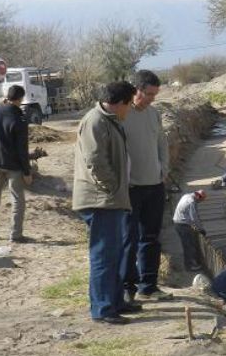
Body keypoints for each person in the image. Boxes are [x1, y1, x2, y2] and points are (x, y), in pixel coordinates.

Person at [72, 81, 141, 325]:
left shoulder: (109, 120)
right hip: (99, 200)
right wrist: (112, 187)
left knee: (114, 254)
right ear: (120, 103)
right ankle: (103, 308)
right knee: (103, 256)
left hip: (110, 199)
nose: (130, 109)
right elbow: (96, 161)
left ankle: (115, 301)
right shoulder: (95, 121)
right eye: (129, 104)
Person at [121, 70, 173, 302]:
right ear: (137, 90)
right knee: (129, 239)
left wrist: (164, 169)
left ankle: (148, 286)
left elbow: (162, 142)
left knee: (151, 238)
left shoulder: (154, 114)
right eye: (149, 94)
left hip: (155, 185)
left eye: (154, 95)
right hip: (131, 188)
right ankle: (127, 288)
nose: (152, 99)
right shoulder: (122, 114)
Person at [0, 86, 32, 243]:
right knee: (17, 200)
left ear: (7, 97)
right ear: (21, 99)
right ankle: (16, 235)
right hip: (13, 166)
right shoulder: (20, 119)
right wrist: (27, 172)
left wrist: (2, 103)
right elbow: (22, 149)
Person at [172, 190, 207, 272]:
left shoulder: (186, 195)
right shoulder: (192, 202)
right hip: (182, 225)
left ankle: (191, 263)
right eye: (200, 201)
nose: (199, 202)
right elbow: (194, 218)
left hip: (178, 223)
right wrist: (201, 229)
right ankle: (190, 266)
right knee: (188, 245)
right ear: (198, 197)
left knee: (188, 244)